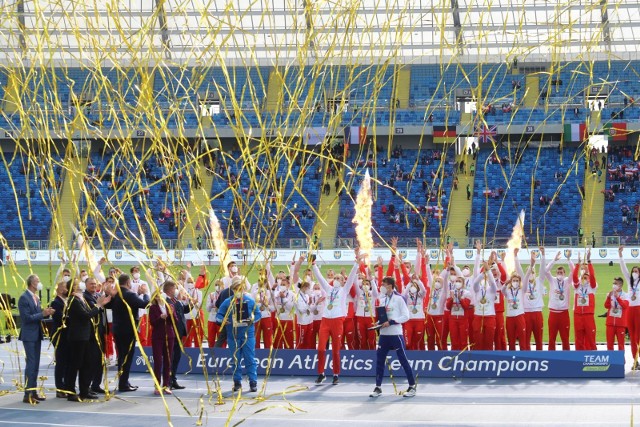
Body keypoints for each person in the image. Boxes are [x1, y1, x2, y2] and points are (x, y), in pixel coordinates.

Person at [311, 251, 358, 385]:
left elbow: (351, 278)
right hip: (325, 321)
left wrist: (356, 263)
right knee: (321, 348)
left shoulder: (345, 290)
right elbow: (320, 278)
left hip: (337, 321)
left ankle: (336, 374)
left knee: (336, 350)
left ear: (343, 282)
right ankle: (321, 373)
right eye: (335, 278)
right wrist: (314, 264)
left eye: (339, 279)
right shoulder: (329, 289)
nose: (336, 280)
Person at [369, 276, 416, 398]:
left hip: (396, 334)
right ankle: (378, 387)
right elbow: (384, 316)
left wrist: (391, 322)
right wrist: (379, 323)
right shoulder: (383, 299)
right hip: (384, 335)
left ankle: (412, 386)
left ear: (390, 285)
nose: (382, 287)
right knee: (379, 360)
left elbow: (406, 316)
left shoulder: (399, 298)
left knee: (403, 360)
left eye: (383, 284)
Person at [64, 279, 111, 402]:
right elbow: (86, 316)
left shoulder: (80, 299)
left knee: (86, 364)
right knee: (75, 365)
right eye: (77, 283)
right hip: (77, 337)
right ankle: (70, 391)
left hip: (85, 336)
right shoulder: (73, 301)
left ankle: (84, 390)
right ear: (73, 287)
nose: (80, 284)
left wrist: (99, 305)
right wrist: (99, 306)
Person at [216, 275, 261, 392]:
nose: (239, 291)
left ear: (244, 288)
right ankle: (237, 382)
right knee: (235, 359)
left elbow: (258, 314)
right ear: (233, 289)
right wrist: (222, 320)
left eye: (241, 288)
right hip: (233, 335)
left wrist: (252, 319)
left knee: (250, 358)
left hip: (248, 335)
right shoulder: (227, 302)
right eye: (236, 289)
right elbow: (219, 315)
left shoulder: (250, 301)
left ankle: (253, 382)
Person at [106, 274, 150, 392]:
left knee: (121, 357)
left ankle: (124, 381)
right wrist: (145, 294)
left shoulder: (117, 295)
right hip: (128, 330)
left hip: (117, 329)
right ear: (128, 282)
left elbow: (108, 305)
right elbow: (144, 304)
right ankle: (123, 383)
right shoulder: (129, 294)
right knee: (127, 357)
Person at [18, 274, 55, 404]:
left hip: (36, 334)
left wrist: (46, 314)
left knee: (35, 364)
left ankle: (33, 391)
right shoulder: (24, 298)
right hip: (29, 335)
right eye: (37, 281)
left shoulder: (35, 297)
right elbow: (26, 318)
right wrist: (42, 314)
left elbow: (36, 316)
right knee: (31, 364)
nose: (39, 283)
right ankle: (27, 393)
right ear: (32, 283)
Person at [149, 282, 178, 395]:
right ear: (155, 297)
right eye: (159, 294)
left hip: (169, 336)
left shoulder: (169, 306)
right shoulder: (153, 308)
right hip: (157, 337)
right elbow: (153, 323)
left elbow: (175, 321)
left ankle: (166, 385)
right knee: (158, 361)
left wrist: (171, 315)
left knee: (168, 361)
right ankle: (157, 385)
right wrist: (161, 318)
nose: (161, 296)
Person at [84, 277, 109, 394]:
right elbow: (91, 313)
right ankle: (87, 385)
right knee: (91, 361)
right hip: (91, 334)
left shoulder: (97, 296)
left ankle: (96, 384)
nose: (94, 286)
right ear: (86, 285)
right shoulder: (85, 297)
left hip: (100, 332)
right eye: (91, 284)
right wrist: (99, 305)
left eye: (95, 284)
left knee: (100, 360)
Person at [518, 249, 547, 351]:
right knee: (526, 339)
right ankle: (527, 358)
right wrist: (515, 256)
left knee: (539, 339)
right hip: (526, 313)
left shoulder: (539, 281)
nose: (532, 273)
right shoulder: (523, 283)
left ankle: (539, 358)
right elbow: (518, 268)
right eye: (529, 272)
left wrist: (543, 255)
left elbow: (543, 269)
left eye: (533, 272)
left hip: (538, 312)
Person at [544, 251, 573, 350]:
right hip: (553, 314)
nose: (560, 274)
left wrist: (569, 260)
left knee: (565, 338)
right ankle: (551, 358)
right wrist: (554, 260)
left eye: (561, 272)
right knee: (551, 338)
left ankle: (566, 358)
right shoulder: (552, 280)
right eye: (558, 272)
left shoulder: (567, 281)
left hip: (564, 314)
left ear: (565, 274)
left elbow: (574, 271)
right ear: (556, 274)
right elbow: (545, 271)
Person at [617, 246, 640, 367]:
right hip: (630, 310)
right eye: (633, 271)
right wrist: (620, 255)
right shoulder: (629, 280)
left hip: (639, 309)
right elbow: (623, 268)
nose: (634, 273)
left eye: (636, 271)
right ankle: (635, 362)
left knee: (638, 337)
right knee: (632, 337)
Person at [164, 281, 188, 390]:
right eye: (174, 288)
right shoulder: (166, 301)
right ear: (169, 290)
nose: (176, 291)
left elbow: (183, 310)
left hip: (179, 333)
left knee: (177, 357)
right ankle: (168, 380)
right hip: (172, 334)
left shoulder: (176, 301)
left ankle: (173, 379)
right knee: (171, 357)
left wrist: (192, 304)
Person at [572, 250, 597, 351]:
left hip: (588, 315)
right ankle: (579, 358)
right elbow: (574, 277)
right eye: (583, 277)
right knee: (578, 339)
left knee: (591, 338)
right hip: (578, 315)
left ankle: (593, 356)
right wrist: (577, 264)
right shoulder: (577, 286)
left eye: (586, 277)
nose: (584, 279)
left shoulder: (592, 287)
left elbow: (593, 276)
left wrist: (589, 262)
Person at [50, 281, 69, 398]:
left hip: (67, 336)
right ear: (60, 290)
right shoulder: (56, 302)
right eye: (66, 288)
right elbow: (60, 318)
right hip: (60, 335)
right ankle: (60, 388)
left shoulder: (66, 301)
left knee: (67, 362)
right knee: (61, 362)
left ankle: (66, 385)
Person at [604, 277, 629, 352]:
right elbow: (606, 306)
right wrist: (608, 297)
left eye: (616, 283)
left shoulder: (626, 295)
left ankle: (621, 362)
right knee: (609, 345)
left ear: (620, 285)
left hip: (620, 324)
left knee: (621, 345)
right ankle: (611, 362)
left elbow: (625, 306)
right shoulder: (609, 294)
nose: (614, 285)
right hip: (610, 323)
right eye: (613, 283)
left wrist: (618, 297)